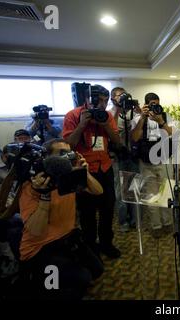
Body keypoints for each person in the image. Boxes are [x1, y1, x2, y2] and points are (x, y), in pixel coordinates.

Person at [18, 138, 104, 299]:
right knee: (65, 286)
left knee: (96, 270)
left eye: (69, 152)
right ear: (47, 158)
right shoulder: (33, 186)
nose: (68, 156)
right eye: (62, 153)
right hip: (40, 247)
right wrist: (44, 195)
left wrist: (84, 173)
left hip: (67, 237)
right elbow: (36, 231)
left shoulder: (69, 176)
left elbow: (98, 191)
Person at [63, 85, 122, 258]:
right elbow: (68, 146)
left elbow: (117, 141)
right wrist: (82, 124)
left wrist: (106, 125)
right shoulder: (73, 115)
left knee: (108, 208)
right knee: (87, 212)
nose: (103, 105)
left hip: (105, 168)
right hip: (84, 170)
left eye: (106, 101)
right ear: (88, 100)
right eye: (99, 101)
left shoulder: (108, 116)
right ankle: (90, 247)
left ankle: (106, 243)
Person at [130, 92, 174, 235]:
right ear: (146, 105)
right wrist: (142, 118)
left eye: (157, 103)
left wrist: (161, 121)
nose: (155, 107)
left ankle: (167, 222)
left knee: (166, 194)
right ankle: (156, 226)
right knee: (151, 196)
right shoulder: (138, 118)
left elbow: (172, 134)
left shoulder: (165, 116)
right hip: (146, 162)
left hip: (163, 161)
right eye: (152, 105)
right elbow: (135, 137)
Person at [110, 87, 139, 232]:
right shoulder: (111, 113)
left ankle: (135, 219)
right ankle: (123, 221)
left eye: (124, 95)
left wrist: (137, 106)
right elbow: (111, 129)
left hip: (133, 156)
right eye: (118, 96)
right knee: (121, 191)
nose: (122, 98)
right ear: (112, 99)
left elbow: (143, 122)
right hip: (119, 157)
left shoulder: (131, 111)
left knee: (134, 188)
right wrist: (117, 108)